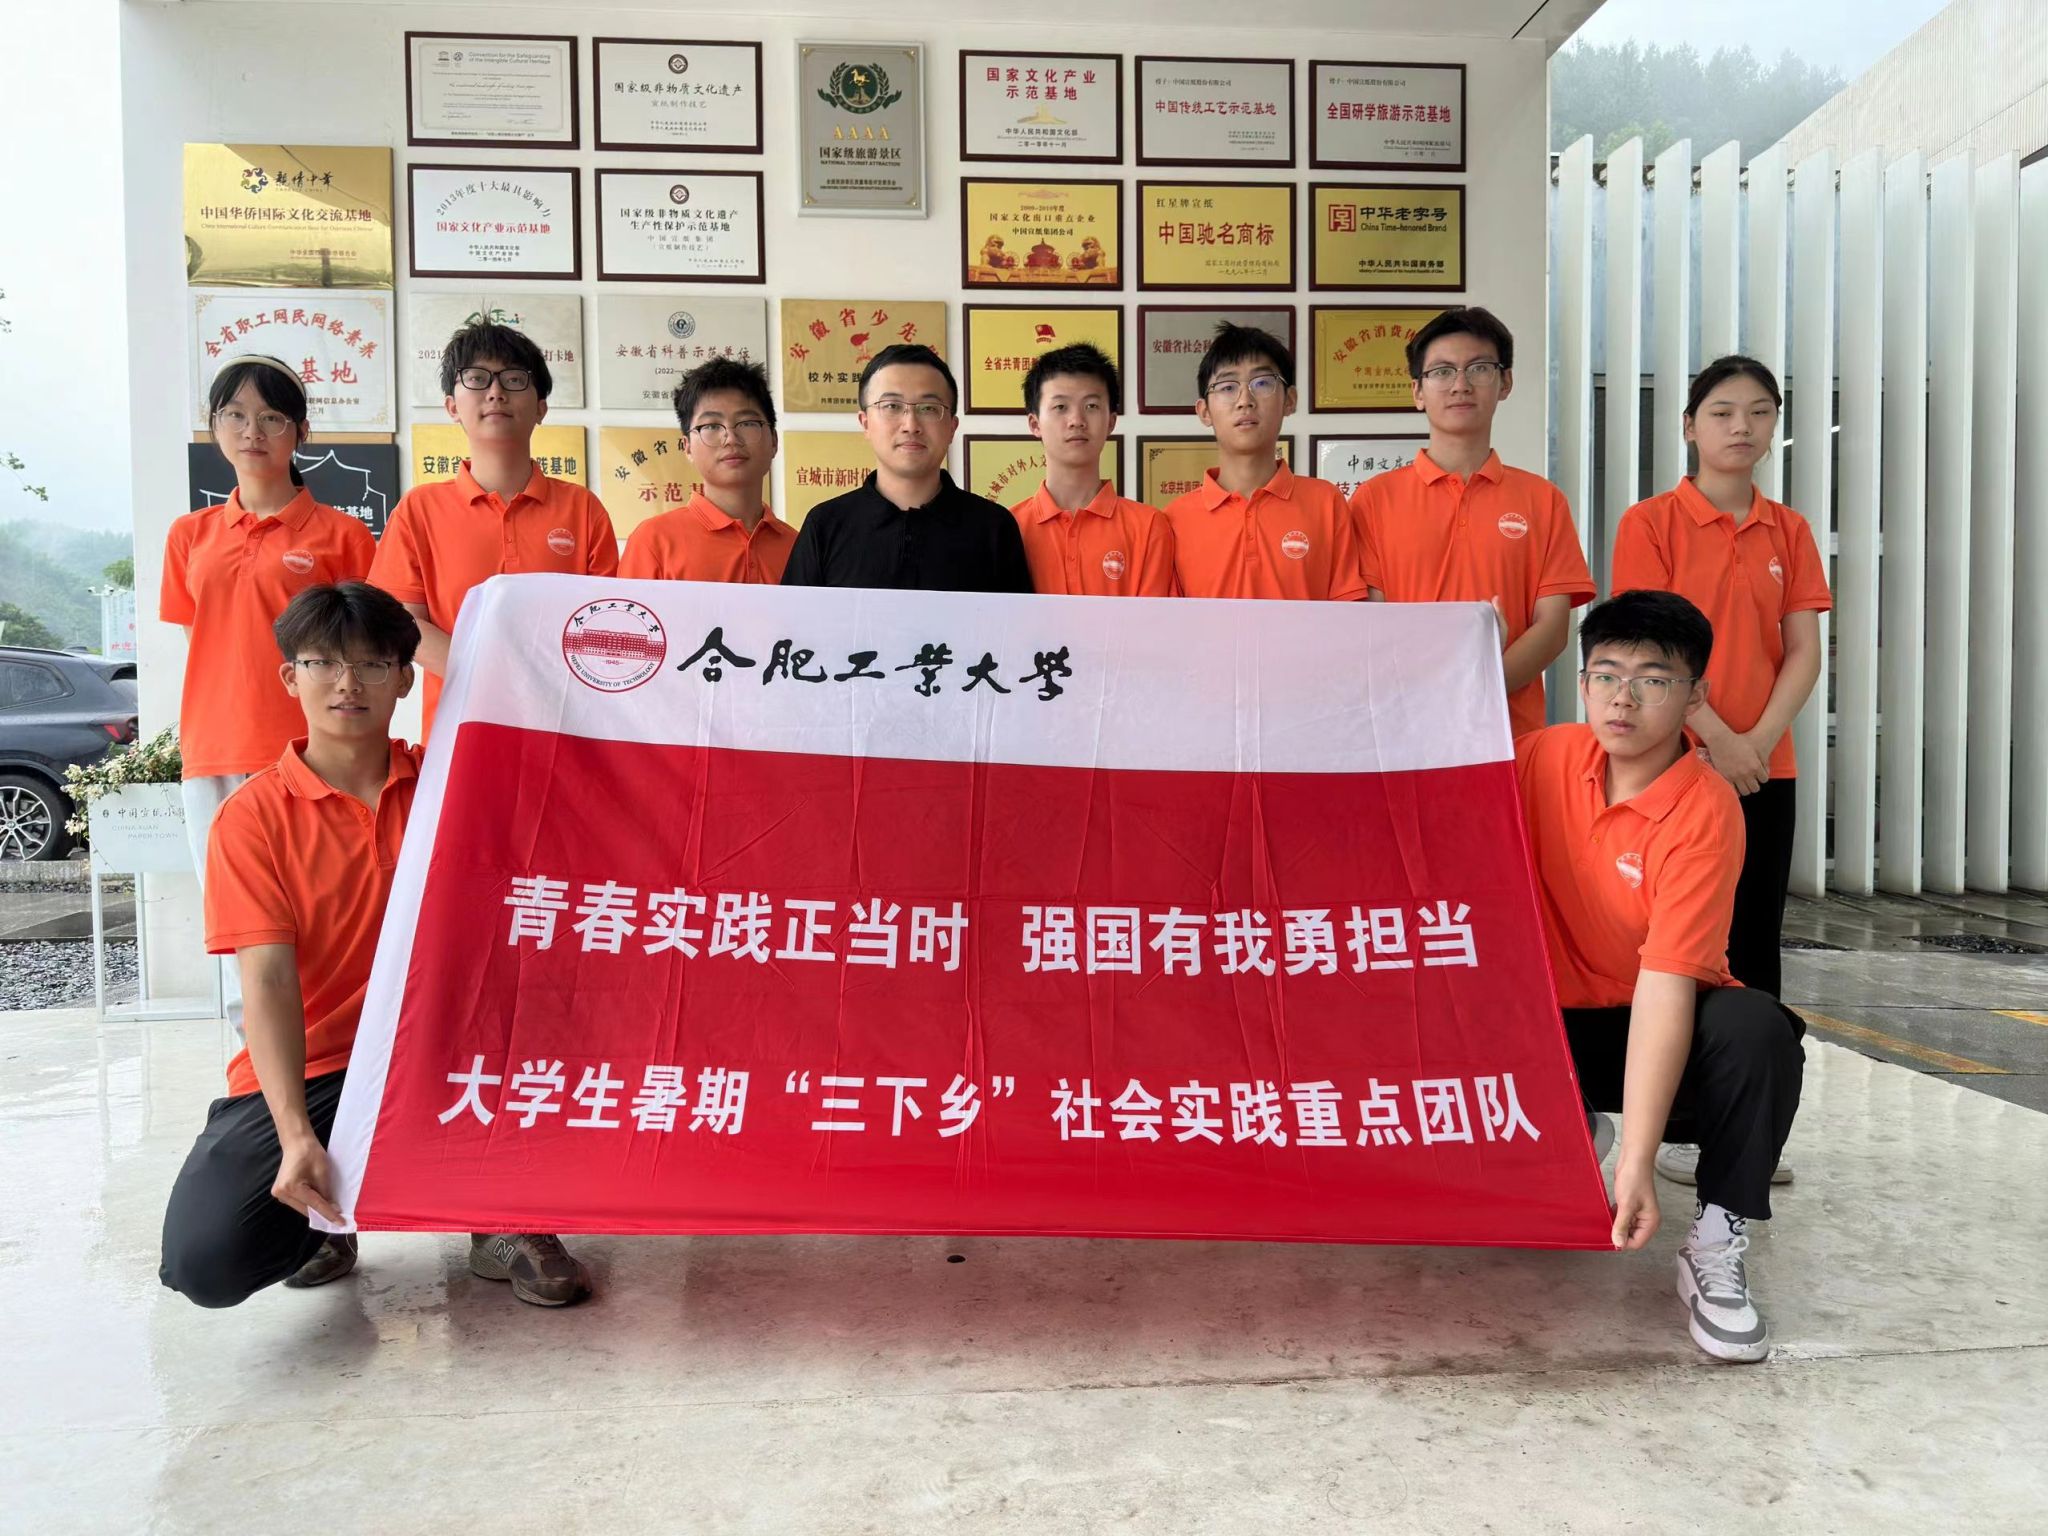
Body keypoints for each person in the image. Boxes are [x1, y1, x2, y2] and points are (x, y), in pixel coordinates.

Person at [158, 582, 593, 1308]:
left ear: (404, 678)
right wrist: (295, 1135)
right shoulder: (252, 819)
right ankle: (327, 1224)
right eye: (323, 663)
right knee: (210, 1261)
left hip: (453, 1052)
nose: (347, 683)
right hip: (327, 1065)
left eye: (370, 664)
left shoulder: (456, 783)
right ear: (290, 677)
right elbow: (267, 984)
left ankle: (502, 1215)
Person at [1516, 590, 1804, 1362]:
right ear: (1583, 685)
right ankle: (1569, 1125)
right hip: (1549, 1034)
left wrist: (1638, 1165)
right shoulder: (1543, 758)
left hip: (1663, 1035)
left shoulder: (1706, 811)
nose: (1623, 698)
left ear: (1694, 696)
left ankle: (1714, 1240)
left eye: (1652, 679)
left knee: (1757, 1029)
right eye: (1606, 675)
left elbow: (1666, 986)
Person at [1609, 356, 1828, 1189]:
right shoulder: (1651, 522)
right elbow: (1646, 652)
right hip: (1674, 768)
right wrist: (1718, 738)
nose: (1742, 426)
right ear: (1690, 427)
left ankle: (1747, 1131)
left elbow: (1802, 651)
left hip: (1764, 770)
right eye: (1723, 411)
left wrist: (1756, 742)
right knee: (1675, 944)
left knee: (1755, 944)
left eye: (1760, 412)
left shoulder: (1789, 531)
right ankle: (1675, 1123)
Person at [160, 356, 375, 1036]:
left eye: (272, 417)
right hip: (213, 749)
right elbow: (200, 638)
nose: (252, 431)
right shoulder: (189, 535)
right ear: (214, 427)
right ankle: (253, 1062)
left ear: (301, 431)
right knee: (237, 925)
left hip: (312, 756)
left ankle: (332, 1053)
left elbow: (361, 650)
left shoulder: (343, 535)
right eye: (235, 416)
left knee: (323, 914)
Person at [368, 322, 618, 744]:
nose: (496, 392)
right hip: (457, 733)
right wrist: (491, 675)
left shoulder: (583, 509)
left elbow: (605, 622)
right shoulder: (419, 510)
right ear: (452, 406)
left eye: (514, 379)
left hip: (562, 728)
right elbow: (400, 621)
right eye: (478, 378)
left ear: (541, 408)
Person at [1350, 306, 1595, 736]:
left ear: (1505, 382)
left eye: (1479, 368)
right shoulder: (1373, 499)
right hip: (1403, 726)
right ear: (1417, 391)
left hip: (1510, 732)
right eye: (1442, 371)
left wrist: (1476, 689)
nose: (1460, 384)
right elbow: (1372, 622)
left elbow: (1553, 627)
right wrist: (1432, 695)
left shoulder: (1542, 499)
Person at [781, 343, 1032, 593]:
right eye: (892, 406)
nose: (911, 425)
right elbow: (796, 617)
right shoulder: (825, 525)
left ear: (952, 428)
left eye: (929, 408)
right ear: (865, 423)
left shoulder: (994, 528)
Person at [1161, 323, 1368, 601]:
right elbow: (1170, 623)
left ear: (1289, 401)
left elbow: (1348, 614)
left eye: (1262, 383)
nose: (1245, 400)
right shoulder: (1174, 519)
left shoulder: (1326, 503)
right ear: (1204, 411)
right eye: (1227, 387)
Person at [1009, 343, 1176, 597]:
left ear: (1111, 422)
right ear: (1035, 424)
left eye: (1091, 406)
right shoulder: (1009, 528)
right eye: (1060, 407)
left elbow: (1151, 621)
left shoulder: (1148, 526)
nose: (1077, 420)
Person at [619, 358, 792, 583]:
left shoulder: (800, 546)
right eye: (711, 426)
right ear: (687, 447)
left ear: (774, 441)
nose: (731, 438)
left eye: (747, 423)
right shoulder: (653, 542)